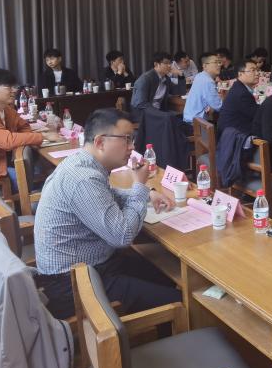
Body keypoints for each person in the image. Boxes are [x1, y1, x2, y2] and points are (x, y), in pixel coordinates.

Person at [34, 108, 179, 320]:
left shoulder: (80, 162)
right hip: (72, 284)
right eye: (126, 139)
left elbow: (106, 195)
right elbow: (122, 236)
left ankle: (157, 329)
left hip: (93, 266)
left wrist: (148, 194)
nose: (132, 147)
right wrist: (139, 185)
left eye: (132, 139)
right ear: (100, 142)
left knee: (165, 276)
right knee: (178, 299)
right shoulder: (83, 178)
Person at [217, 60, 260, 137]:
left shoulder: (238, 86)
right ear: (240, 74)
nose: (257, 73)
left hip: (230, 131)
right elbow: (258, 115)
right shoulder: (242, 93)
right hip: (233, 137)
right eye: (253, 70)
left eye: (257, 70)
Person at [183, 52, 224, 124]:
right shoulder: (207, 81)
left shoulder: (200, 76)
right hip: (196, 123)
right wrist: (223, 97)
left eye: (219, 62)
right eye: (215, 62)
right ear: (205, 66)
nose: (219, 65)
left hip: (189, 119)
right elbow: (218, 106)